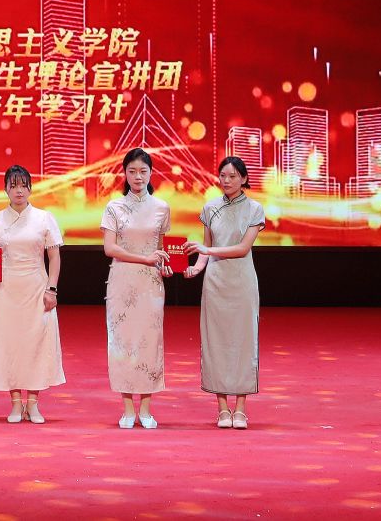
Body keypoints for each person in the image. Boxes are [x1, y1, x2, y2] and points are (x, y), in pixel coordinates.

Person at [185, 155, 267, 429]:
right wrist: (196, 268)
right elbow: (206, 249)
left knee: (243, 342)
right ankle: (222, 408)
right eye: (223, 176)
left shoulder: (254, 209)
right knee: (216, 342)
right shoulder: (210, 208)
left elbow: (242, 249)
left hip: (242, 282)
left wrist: (207, 250)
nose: (227, 180)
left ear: (244, 178)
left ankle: (241, 408)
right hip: (215, 283)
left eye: (232, 176)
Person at [0, 163, 64, 423]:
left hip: (36, 288)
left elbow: (54, 256)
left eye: (24, 186)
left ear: (30, 188)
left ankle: (34, 404)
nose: (19, 191)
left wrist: (52, 289)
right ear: (5, 189)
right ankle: (16, 403)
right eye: (13, 186)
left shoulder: (44, 218)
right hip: (5, 291)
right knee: (10, 345)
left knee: (36, 343)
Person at [101, 148, 172, 430]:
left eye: (143, 171)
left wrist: (164, 265)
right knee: (123, 343)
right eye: (132, 171)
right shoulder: (114, 207)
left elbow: (161, 249)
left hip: (151, 284)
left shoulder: (162, 208)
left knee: (149, 343)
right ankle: (128, 408)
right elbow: (110, 248)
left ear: (151, 173)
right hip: (122, 282)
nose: (138, 176)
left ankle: (146, 408)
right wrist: (145, 259)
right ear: (125, 174)